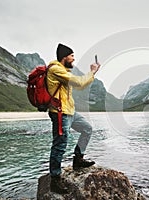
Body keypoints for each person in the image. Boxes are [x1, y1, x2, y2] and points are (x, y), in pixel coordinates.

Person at [46, 43, 100, 194]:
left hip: (70, 111)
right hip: (60, 112)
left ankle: (78, 159)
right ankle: (55, 179)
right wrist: (92, 71)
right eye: (71, 56)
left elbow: (80, 86)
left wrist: (92, 74)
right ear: (64, 57)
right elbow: (79, 82)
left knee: (87, 129)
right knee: (60, 143)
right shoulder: (56, 69)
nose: (73, 59)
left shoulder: (63, 70)